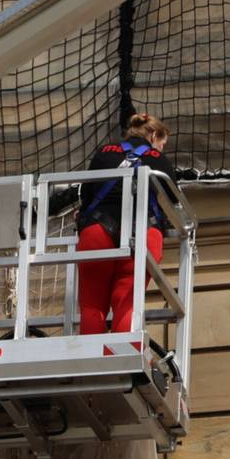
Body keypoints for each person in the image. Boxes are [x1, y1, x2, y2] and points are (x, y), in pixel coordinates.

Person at [74, 112, 178, 334]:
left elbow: (87, 193)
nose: (161, 148)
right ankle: (124, 352)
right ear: (153, 135)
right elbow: (174, 201)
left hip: (97, 229)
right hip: (143, 233)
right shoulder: (158, 159)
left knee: (92, 305)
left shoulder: (104, 152)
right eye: (162, 143)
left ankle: (91, 354)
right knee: (127, 303)